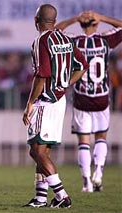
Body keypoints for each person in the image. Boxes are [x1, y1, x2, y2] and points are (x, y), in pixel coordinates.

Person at [22, 4, 88, 208]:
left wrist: (30, 103)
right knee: (42, 150)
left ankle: (62, 196)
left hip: (46, 100)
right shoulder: (65, 39)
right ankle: (41, 198)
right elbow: (83, 64)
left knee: (36, 152)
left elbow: (42, 75)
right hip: (60, 99)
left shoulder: (41, 41)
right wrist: (67, 83)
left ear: (36, 21)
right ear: (54, 20)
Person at [55, 11, 122, 193]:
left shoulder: (75, 41)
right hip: (101, 97)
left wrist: (74, 19)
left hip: (81, 97)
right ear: (97, 24)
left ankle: (87, 182)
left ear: (81, 25)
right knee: (101, 137)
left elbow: (54, 31)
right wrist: (104, 17)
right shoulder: (104, 41)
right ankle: (98, 172)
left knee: (83, 141)